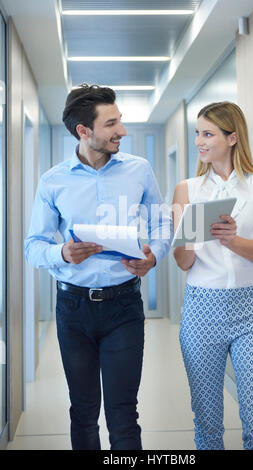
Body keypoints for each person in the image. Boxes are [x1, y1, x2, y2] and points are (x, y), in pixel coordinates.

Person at [24, 84, 172, 450]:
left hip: (123, 307)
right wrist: (63, 254)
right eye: (112, 124)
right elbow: (33, 246)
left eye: (120, 120)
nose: (122, 130)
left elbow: (161, 224)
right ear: (84, 132)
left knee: (123, 412)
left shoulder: (139, 170)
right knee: (83, 411)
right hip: (73, 311)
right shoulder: (53, 181)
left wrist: (153, 256)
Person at [172, 101, 253, 450]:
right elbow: (183, 262)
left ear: (232, 137)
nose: (199, 142)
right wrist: (192, 235)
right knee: (207, 425)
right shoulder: (186, 189)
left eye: (208, 134)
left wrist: (231, 239)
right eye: (197, 134)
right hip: (201, 310)